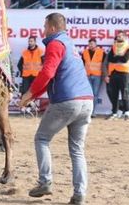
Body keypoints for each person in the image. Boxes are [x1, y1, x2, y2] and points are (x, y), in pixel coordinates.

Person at [19, 13, 93, 205]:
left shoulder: (55, 43)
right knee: (77, 151)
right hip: (87, 101)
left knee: (41, 139)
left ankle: (45, 182)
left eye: (45, 26)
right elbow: (51, 76)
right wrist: (33, 94)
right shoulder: (69, 43)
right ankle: (79, 194)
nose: (43, 30)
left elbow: (47, 72)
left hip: (67, 101)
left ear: (52, 28)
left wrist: (29, 94)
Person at [104, 31, 129, 121]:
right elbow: (110, 58)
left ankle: (127, 113)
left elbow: (125, 59)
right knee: (114, 94)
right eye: (117, 36)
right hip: (113, 72)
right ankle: (115, 113)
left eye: (120, 36)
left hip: (124, 73)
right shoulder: (114, 47)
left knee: (124, 93)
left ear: (125, 37)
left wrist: (116, 57)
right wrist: (118, 57)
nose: (118, 37)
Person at [81, 38, 105, 112]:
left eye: (92, 43)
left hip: (97, 76)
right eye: (89, 44)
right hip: (87, 75)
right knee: (89, 94)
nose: (91, 45)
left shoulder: (101, 52)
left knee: (95, 94)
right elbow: (82, 64)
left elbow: (105, 64)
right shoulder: (84, 52)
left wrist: (105, 75)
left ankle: (92, 111)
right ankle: (87, 111)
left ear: (95, 44)